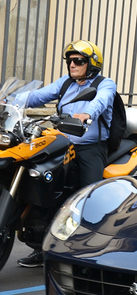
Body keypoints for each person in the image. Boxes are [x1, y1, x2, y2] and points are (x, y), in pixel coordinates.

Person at [17, 39, 116, 268]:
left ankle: (86, 248)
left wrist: (85, 115)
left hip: (90, 147)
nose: (72, 65)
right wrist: (9, 101)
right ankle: (40, 247)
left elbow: (100, 103)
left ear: (92, 63)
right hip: (61, 143)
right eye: (70, 61)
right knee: (43, 186)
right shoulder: (65, 83)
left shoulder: (105, 84)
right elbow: (37, 96)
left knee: (86, 194)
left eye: (78, 61)